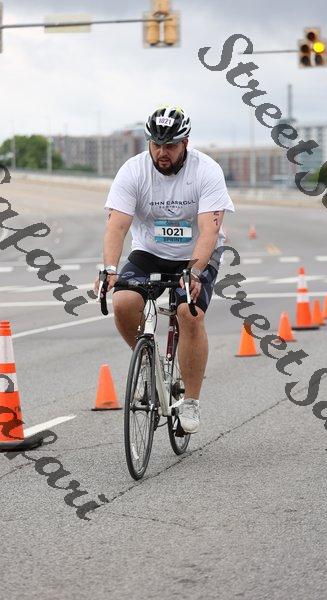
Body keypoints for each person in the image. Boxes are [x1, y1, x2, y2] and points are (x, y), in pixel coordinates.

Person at [94, 105, 234, 433]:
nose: (162, 152)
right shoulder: (133, 171)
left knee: (188, 313)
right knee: (123, 302)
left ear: (185, 143)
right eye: (156, 144)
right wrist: (109, 268)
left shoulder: (206, 171)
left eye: (170, 145)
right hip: (150, 251)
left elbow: (209, 230)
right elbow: (117, 226)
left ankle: (191, 402)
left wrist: (195, 272)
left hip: (196, 255)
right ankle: (148, 361)